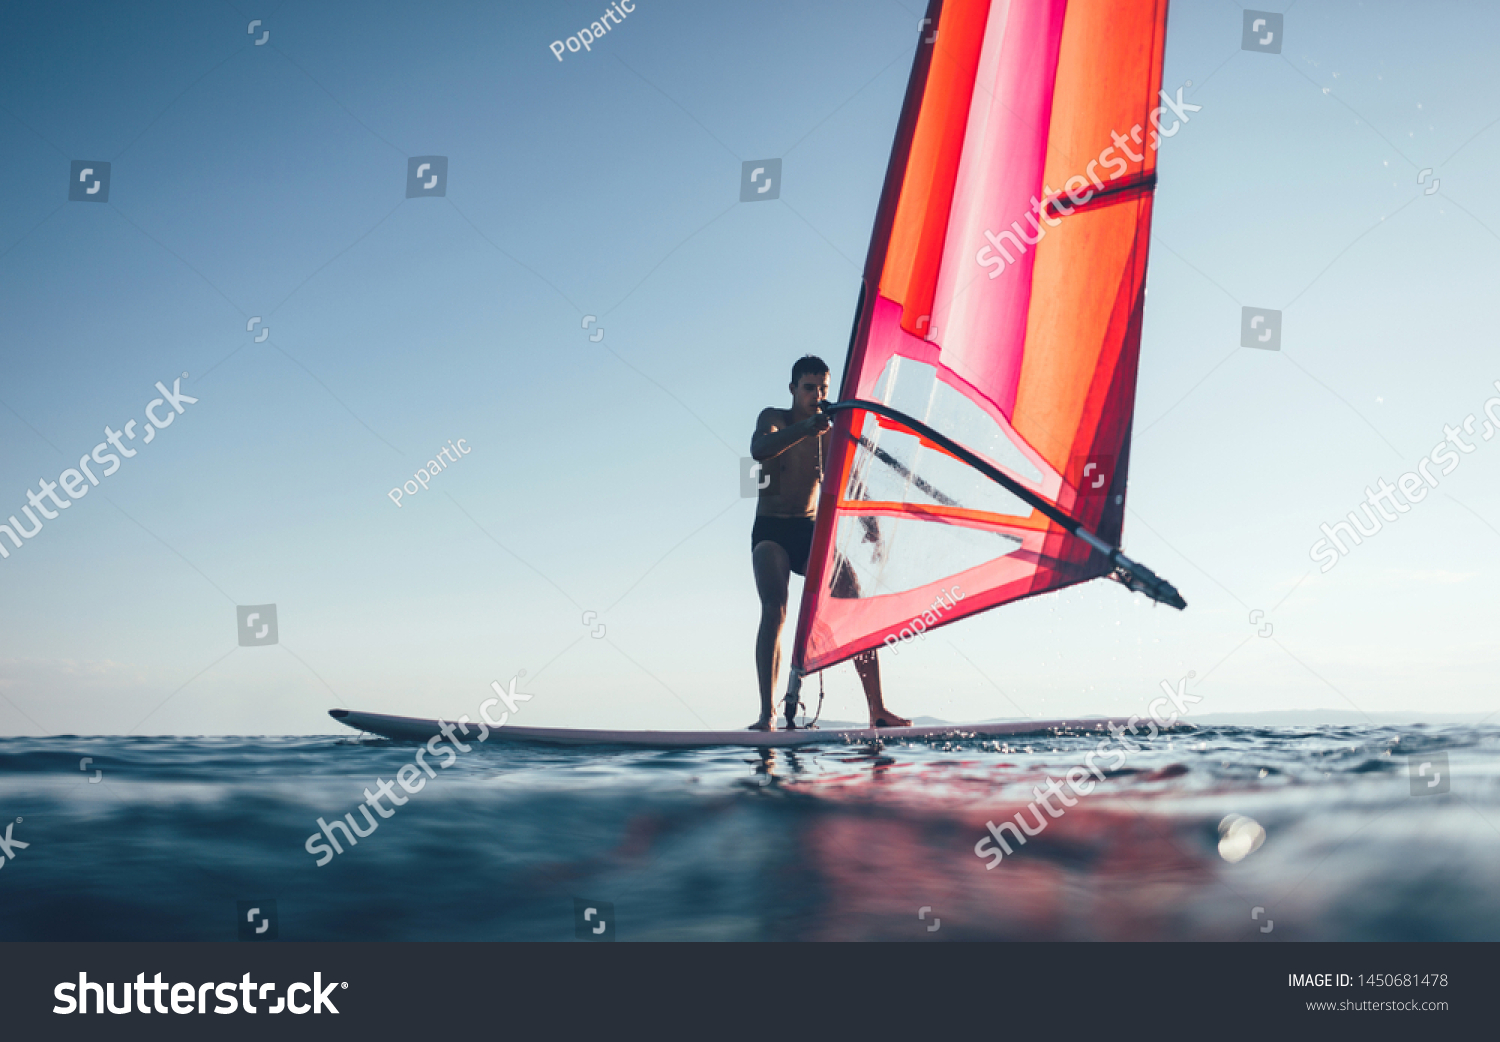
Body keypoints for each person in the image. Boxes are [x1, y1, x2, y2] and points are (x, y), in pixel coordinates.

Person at [748, 355, 910, 731]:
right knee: (775, 607)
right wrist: (807, 428)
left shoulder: (831, 432)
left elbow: (851, 479)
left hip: (808, 530)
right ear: (793, 390)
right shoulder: (774, 417)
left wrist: (871, 524)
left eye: (823, 388)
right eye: (809, 388)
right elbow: (760, 449)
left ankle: (878, 710)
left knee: (852, 595)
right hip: (771, 530)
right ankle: (766, 714)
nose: (818, 395)